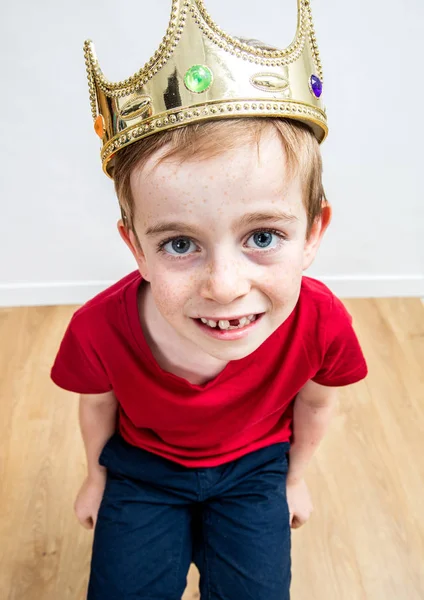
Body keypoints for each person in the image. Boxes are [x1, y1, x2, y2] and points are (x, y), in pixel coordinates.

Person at [51, 1, 368, 598]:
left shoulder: (323, 321)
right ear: (135, 247)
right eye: (178, 243)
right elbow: (96, 409)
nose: (224, 285)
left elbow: (317, 405)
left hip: (255, 472)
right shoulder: (97, 329)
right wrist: (96, 478)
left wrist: (296, 478)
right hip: (144, 471)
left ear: (313, 235)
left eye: (263, 237)